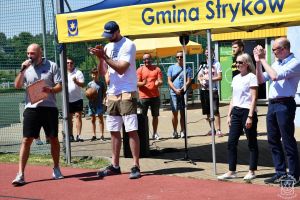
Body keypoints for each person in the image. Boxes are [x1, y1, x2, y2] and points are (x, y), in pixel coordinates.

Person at [89, 21, 141, 179]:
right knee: (113, 131)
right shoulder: (107, 47)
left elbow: (121, 68)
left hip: (127, 92)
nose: (108, 38)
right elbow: (103, 71)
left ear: (118, 31)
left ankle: (136, 166)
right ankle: (115, 165)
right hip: (112, 93)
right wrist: (100, 59)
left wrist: (103, 56)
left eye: (110, 35)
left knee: (131, 130)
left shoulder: (129, 45)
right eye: (106, 35)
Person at [12, 43, 64, 186]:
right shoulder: (26, 68)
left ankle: (56, 168)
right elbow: (17, 85)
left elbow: (60, 85)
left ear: (40, 53)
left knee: (53, 139)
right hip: (31, 109)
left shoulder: (52, 65)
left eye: (32, 53)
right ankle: (20, 174)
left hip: (49, 108)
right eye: (28, 53)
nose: (29, 56)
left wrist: (51, 90)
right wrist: (22, 71)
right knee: (26, 140)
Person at [253, 37, 300, 186]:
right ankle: (280, 173)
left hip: (285, 104)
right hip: (272, 104)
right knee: (273, 140)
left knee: (287, 141)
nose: (272, 52)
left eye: (274, 49)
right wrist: (258, 62)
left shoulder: (295, 63)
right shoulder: (276, 63)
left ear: (284, 49)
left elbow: (274, 76)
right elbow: (260, 80)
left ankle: (294, 175)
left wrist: (263, 59)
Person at [217, 53, 258, 181]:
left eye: (240, 62)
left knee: (251, 142)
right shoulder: (235, 78)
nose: (238, 64)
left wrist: (250, 116)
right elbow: (233, 99)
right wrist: (229, 115)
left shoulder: (252, 77)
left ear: (247, 63)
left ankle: (251, 170)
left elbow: (254, 98)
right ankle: (232, 171)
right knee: (231, 142)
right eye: (236, 62)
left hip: (247, 111)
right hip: (236, 112)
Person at [137, 53, 163, 140]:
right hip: (143, 97)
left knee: (155, 116)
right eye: (144, 59)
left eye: (148, 59)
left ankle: (155, 133)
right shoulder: (139, 70)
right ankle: (143, 134)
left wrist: (158, 83)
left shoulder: (157, 69)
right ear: (143, 60)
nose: (146, 61)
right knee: (143, 117)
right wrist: (143, 83)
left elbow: (160, 81)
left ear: (151, 59)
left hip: (155, 97)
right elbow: (136, 83)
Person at [198, 48, 223, 137]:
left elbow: (220, 77)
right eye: (206, 52)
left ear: (213, 53)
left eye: (209, 52)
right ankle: (212, 129)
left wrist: (210, 79)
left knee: (215, 110)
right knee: (207, 111)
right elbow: (199, 76)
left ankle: (218, 130)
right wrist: (201, 81)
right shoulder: (202, 64)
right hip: (204, 90)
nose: (208, 53)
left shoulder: (217, 63)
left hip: (213, 90)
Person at [167, 51, 192, 139]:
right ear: (176, 58)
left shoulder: (188, 68)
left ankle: (182, 130)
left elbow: (189, 80)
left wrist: (182, 89)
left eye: (181, 57)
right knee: (174, 113)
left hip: (183, 94)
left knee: (182, 113)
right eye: (178, 57)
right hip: (173, 93)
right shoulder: (171, 67)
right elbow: (169, 80)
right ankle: (175, 131)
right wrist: (175, 89)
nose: (179, 58)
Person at [67, 57, 85, 142]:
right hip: (67, 99)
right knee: (69, 118)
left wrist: (76, 81)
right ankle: (70, 135)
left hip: (77, 98)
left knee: (78, 116)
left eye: (71, 63)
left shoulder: (78, 72)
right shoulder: (63, 73)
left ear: (74, 64)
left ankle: (79, 135)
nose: (69, 64)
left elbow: (82, 85)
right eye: (68, 63)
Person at [87, 68, 105, 142]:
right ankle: (94, 135)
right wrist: (89, 96)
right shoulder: (89, 84)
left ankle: (102, 135)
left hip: (99, 104)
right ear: (91, 75)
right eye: (93, 74)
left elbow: (104, 93)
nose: (94, 76)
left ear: (98, 74)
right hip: (92, 104)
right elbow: (87, 93)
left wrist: (104, 102)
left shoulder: (101, 83)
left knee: (100, 119)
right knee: (93, 119)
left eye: (95, 74)